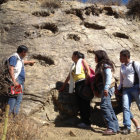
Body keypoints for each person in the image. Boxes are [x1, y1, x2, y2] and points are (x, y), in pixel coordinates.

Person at [59, 51, 92, 128]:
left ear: (76, 56)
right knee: (80, 103)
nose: (72, 57)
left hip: (83, 82)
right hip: (77, 84)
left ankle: (87, 122)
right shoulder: (73, 65)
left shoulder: (82, 61)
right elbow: (69, 76)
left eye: (72, 55)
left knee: (85, 103)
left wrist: (87, 80)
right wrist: (63, 86)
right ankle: (84, 121)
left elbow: (88, 70)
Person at [93, 50, 119, 135]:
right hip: (105, 88)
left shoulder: (105, 65)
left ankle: (111, 128)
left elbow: (108, 76)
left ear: (100, 57)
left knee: (104, 106)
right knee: (108, 106)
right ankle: (115, 127)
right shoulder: (100, 65)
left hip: (107, 88)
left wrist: (106, 88)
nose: (94, 58)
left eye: (96, 56)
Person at [117, 49, 140, 134]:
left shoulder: (135, 64)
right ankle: (127, 127)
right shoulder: (122, 66)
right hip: (126, 90)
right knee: (125, 107)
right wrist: (119, 89)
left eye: (121, 57)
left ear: (126, 56)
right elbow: (121, 80)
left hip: (136, 88)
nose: (119, 58)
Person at [8, 45, 35, 116]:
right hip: (17, 80)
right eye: (26, 53)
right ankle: (8, 116)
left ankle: (14, 116)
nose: (26, 54)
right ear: (23, 52)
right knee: (13, 98)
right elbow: (11, 68)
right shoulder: (14, 57)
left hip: (20, 81)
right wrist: (14, 81)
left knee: (18, 99)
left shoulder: (19, 58)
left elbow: (22, 62)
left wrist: (30, 62)